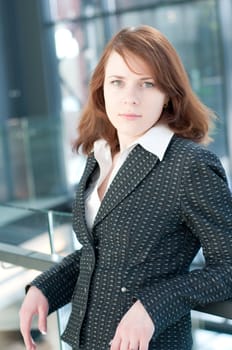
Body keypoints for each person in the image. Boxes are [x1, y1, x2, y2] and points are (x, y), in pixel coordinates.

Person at [19, 25, 232, 350]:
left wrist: (153, 306)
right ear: (102, 89)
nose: (130, 97)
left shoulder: (190, 165)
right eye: (117, 82)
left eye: (147, 84)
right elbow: (102, 253)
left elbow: (227, 268)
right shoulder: (100, 155)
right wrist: (45, 286)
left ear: (168, 96)